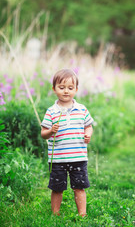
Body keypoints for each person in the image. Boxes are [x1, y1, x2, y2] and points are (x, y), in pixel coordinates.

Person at [41, 69, 93, 216]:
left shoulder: (82, 109)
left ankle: (82, 214)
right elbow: (43, 134)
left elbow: (89, 126)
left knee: (80, 187)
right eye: (61, 87)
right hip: (58, 158)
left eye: (70, 88)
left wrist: (88, 134)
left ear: (76, 89)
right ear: (54, 89)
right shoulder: (51, 111)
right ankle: (55, 214)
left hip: (78, 157)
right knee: (57, 188)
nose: (66, 91)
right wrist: (51, 131)